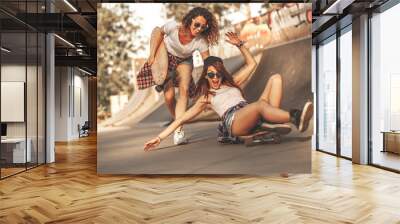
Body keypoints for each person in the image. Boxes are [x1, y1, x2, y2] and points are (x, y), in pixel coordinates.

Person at [144, 32, 313, 151]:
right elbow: (180, 119)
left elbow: (252, 64)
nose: (215, 78)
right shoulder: (206, 97)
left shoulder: (232, 83)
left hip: (248, 113)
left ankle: (273, 122)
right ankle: (295, 117)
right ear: (206, 76)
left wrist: (240, 45)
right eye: (211, 75)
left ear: (222, 73)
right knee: (258, 106)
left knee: (275, 78)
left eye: (218, 74)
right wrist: (159, 138)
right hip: (234, 122)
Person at [136, 7, 219, 145]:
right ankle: (178, 122)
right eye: (197, 24)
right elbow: (158, 32)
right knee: (168, 97)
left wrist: (214, 76)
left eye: (203, 27)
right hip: (165, 57)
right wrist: (152, 55)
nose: (199, 29)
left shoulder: (201, 41)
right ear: (191, 20)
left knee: (184, 90)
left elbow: (208, 61)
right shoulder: (173, 27)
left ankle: (178, 131)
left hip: (184, 61)